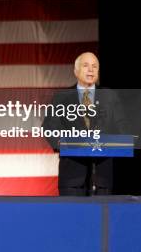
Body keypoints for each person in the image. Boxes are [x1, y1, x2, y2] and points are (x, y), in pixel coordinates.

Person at [42, 52, 126, 196]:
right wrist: (62, 142)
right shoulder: (62, 97)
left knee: (100, 219)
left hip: (102, 176)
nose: (91, 70)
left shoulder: (110, 96)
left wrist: (113, 141)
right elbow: (48, 127)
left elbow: (122, 128)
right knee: (72, 218)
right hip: (72, 176)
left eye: (94, 66)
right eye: (86, 65)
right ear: (76, 71)